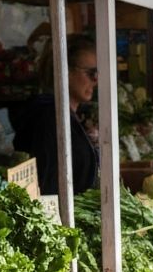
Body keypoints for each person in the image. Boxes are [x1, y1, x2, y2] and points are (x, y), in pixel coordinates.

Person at [13, 34, 99, 196]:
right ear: (65, 71)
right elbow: (49, 183)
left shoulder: (64, 115)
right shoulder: (51, 117)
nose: (96, 80)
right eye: (91, 73)